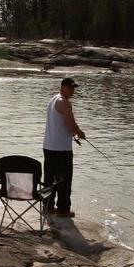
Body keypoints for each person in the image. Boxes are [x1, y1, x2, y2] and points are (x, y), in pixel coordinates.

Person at [42, 77, 85, 218]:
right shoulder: (65, 103)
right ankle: (63, 209)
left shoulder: (53, 99)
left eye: (74, 88)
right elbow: (71, 125)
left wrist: (73, 133)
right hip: (62, 149)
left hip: (48, 146)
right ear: (63, 87)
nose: (73, 90)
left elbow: (61, 124)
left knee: (49, 179)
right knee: (64, 180)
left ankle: (48, 207)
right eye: (71, 87)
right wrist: (80, 133)